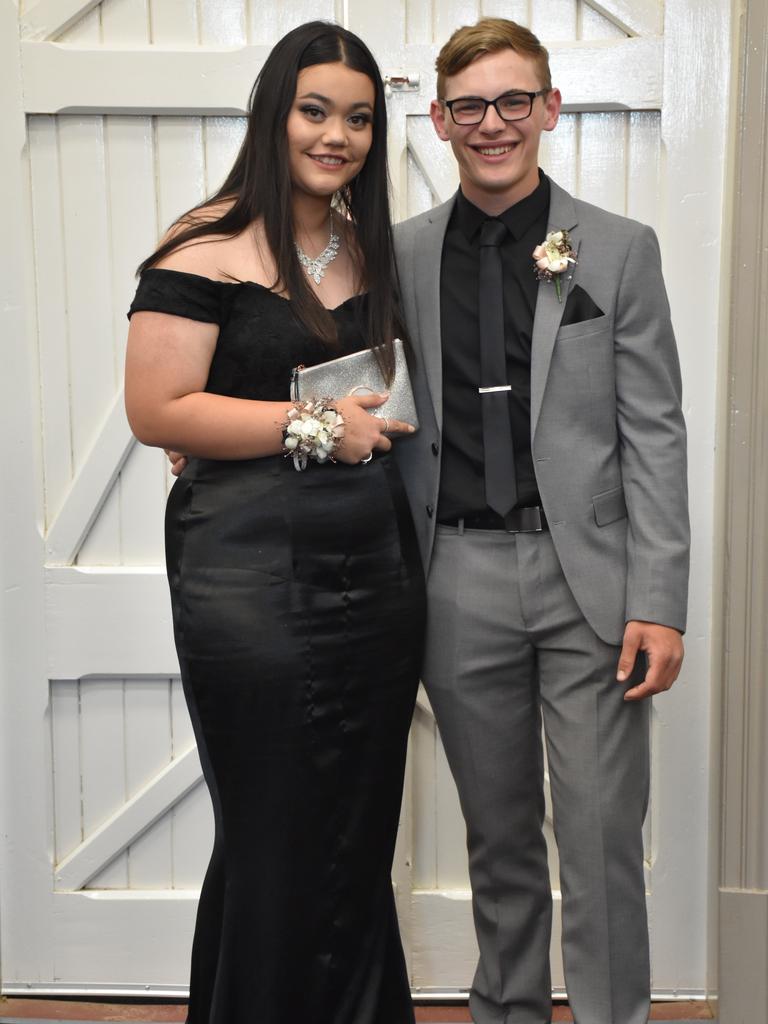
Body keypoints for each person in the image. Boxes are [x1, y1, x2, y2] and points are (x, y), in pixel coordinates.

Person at [124, 22, 425, 1024]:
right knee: (274, 831)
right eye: (314, 110)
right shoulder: (204, 241)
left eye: (358, 117)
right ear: (272, 112)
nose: (336, 135)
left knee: (354, 832)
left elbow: (387, 404)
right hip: (247, 580)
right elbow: (156, 410)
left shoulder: (365, 245)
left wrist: (357, 427)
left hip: (374, 576)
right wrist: (306, 425)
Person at [391, 18, 689, 1024]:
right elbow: (346, 383)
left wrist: (661, 599)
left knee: (603, 836)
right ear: (438, 120)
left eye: (514, 100)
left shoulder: (618, 251)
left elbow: (656, 436)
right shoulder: (398, 256)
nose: (492, 123)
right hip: (455, 577)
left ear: (550, 108)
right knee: (499, 835)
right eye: (469, 105)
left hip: (591, 584)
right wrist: (214, 424)